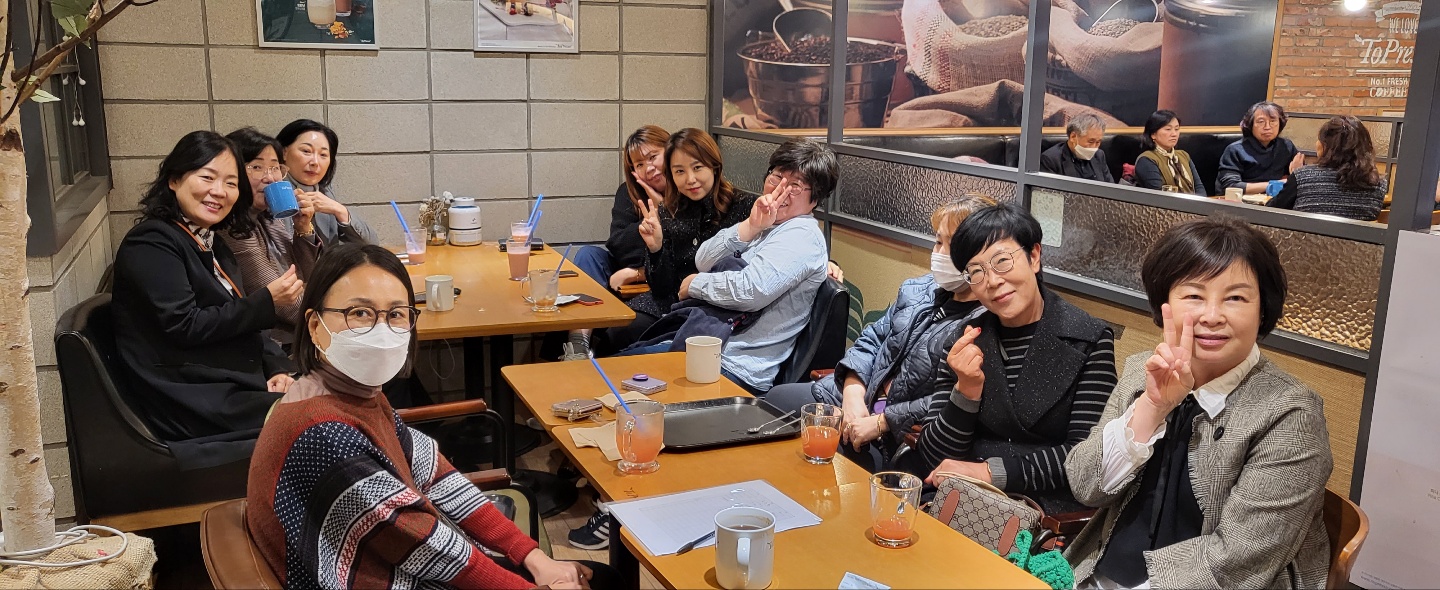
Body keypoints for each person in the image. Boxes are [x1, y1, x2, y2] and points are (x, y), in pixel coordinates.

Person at [247, 244, 616, 589]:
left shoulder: (351, 395)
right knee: (603, 579)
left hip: (399, 562)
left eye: (395, 314)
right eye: (359, 313)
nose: (380, 330)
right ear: (315, 326)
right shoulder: (325, 434)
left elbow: (436, 475)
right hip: (386, 578)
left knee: (597, 576)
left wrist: (532, 557)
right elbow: (425, 546)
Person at [1065, 216, 1332, 588]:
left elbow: (1238, 559)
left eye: (1235, 298)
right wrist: (1152, 407)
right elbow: (1085, 486)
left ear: (1262, 310)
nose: (1212, 316)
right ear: (1165, 304)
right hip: (1100, 574)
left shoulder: (1290, 414)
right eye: (1194, 296)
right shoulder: (1141, 370)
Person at [111, 130, 303, 469]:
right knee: (321, 414)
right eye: (207, 177)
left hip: (226, 383)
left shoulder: (211, 241)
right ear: (174, 180)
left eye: (231, 183)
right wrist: (266, 302)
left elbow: (243, 322)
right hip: (189, 398)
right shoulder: (152, 242)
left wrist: (277, 368)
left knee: (331, 397)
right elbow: (183, 325)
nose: (219, 191)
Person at [910, 204, 1117, 514]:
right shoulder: (965, 339)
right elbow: (934, 455)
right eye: (976, 271)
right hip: (961, 502)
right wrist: (966, 391)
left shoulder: (1088, 339)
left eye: (1002, 262)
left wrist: (990, 472)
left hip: (1042, 513)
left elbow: (1085, 458)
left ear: (1034, 256)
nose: (992, 281)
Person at [766, 195, 996, 470]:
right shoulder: (919, 289)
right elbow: (871, 339)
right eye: (938, 242)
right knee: (774, 403)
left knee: (817, 453)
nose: (941, 254)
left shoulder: (985, 320)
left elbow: (950, 398)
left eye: (954, 246)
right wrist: (852, 395)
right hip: (856, 396)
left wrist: (880, 421)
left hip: (896, 433)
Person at [622, 138, 836, 395]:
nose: (780, 189)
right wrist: (751, 226)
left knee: (613, 376)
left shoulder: (801, 235)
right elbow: (703, 260)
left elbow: (751, 291)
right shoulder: (766, 222)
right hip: (703, 344)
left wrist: (696, 284)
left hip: (732, 365)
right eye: (777, 177)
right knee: (612, 369)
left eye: (795, 186)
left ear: (815, 198)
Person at [564, 125, 670, 359]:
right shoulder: (629, 192)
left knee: (620, 330)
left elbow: (681, 251)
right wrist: (647, 226)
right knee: (588, 255)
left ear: (671, 150)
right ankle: (578, 343)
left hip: (661, 279)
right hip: (626, 270)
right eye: (639, 164)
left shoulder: (687, 189)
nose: (648, 168)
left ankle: (582, 353)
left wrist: (662, 210)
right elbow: (618, 245)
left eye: (653, 157)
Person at [220, 127, 322, 346]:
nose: (270, 178)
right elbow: (288, 307)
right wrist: (335, 314)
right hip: (275, 346)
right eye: (257, 167)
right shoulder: (232, 228)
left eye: (275, 168)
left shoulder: (269, 218)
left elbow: (310, 276)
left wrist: (303, 227)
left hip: (302, 335)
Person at [275, 118, 378, 246]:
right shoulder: (275, 193)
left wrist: (340, 210)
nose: (315, 162)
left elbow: (371, 243)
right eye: (306, 151)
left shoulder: (325, 193)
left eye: (323, 155)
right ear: (284, 152)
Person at [1269, 115, 1388, 221]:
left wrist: (1295, 178)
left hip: (1308, 239)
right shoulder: (1378, 183)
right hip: (1357, 240)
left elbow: (1270, 211)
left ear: (1324, 146)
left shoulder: (1303, 177)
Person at [1217, 101, 1304, 195]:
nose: (1267, 127)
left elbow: (1297, 176)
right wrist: (1276, 184)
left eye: (1273, 121)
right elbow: (1231, 186)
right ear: (1250, 125)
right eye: (1261, 122)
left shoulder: (1286, 146)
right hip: (1241, 200)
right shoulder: (1235, 150)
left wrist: (1297, 175)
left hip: (1275, 200)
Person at [1134, 110, 1207, 197]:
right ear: (1153, 134)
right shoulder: (1146, 160)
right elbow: (1158, 196)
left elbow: (1199, 187)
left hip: (1193, 204)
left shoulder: (1184, 155)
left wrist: (1202, 203)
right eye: (1168, 129)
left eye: (1176, 129)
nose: (1174, 134)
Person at [1040, 114, 1114, 183]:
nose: (1094, 147)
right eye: (1091, 141)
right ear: (1073, 137)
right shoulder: (1051, 160)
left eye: (1098, 142)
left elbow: (1110, 186)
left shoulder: (1099, 155)